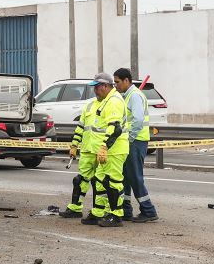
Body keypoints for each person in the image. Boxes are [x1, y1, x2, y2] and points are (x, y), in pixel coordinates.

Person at [64, 72, 130, 228]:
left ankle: (116, 215)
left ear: (105, 86)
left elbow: (115, 128)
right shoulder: (105, 101)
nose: (95, 91)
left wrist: (103, 147)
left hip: (115, 148)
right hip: (107, 149)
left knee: (113, 182)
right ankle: (98, 212)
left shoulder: (114, 101)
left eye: (97, 87)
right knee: (101, 181)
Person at [114, 68, 159, 222]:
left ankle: (148, 210)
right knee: (125, 177)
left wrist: (130, 138)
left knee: (134, 177)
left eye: (117, 82)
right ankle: (126, 209)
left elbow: (138, 120)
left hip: (135, 141)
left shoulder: (134, 96)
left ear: (127, 81)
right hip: (132, 142)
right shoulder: (127, 96)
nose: (116, 85)